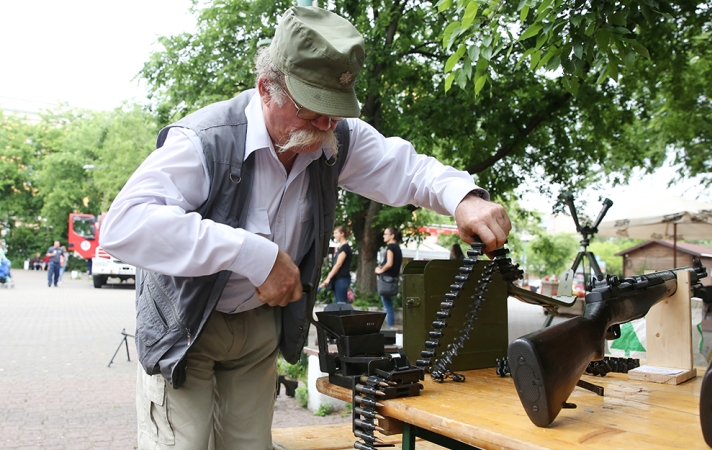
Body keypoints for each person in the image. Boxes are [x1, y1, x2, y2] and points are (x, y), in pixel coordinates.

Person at [99, 6, 511, 449]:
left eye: (335, 111)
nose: (325, 125)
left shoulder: (336, 135)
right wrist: (254, 255)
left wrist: (463, 198)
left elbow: (406, 169)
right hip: (186, 326)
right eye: (312, 109)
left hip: (257, 329)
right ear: (266, 88)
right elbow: (124, 225)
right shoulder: (206, 139)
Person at [375, 227, 403, 327]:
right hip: (393, 280)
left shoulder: (390, 247)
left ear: (392, 236)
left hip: (386, 280)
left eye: (385, 234)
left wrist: (380, 270)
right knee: (389, 305)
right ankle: (390, 326)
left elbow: (389, 263)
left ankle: (390, 326)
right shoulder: (398, 248)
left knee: (387, 306)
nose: (383, 236)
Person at [320, 226, 353, 303]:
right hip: (339, 279)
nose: (334, 235)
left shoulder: (345, 248)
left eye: (336, 233)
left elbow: (338, 264)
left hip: (342, 278)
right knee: (338, 302)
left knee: (341, 303)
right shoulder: (340, 247)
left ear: (342, 234)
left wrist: (328, 277)